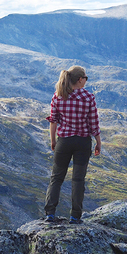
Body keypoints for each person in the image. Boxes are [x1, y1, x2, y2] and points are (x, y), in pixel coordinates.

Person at [44, 66, 101, 224]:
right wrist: (98, 142)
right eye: (86, 78)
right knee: (78, 180)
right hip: (82, 142)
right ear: (80, 79)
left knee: (56, 178)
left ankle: (50, 213)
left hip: (64, 141)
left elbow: (53, 120)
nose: (86, 81)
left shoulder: (58, 95)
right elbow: (93, 123)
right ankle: (75, 216)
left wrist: (53, 140)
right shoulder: (88, 97)